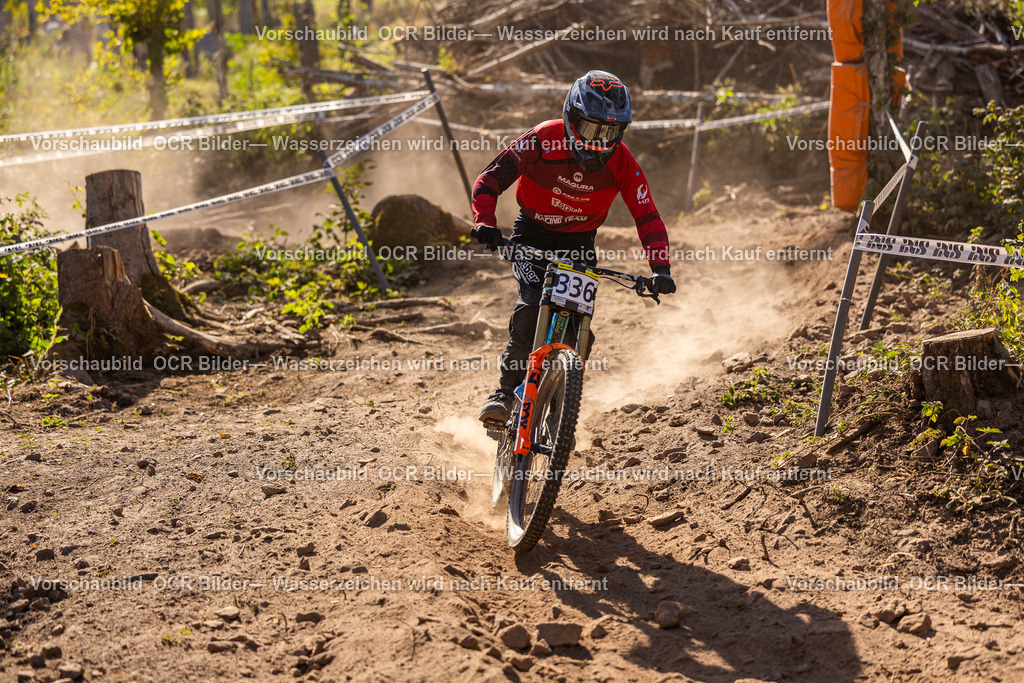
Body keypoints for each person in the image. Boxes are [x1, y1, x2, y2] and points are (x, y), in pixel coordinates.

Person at [471, 70, 676, 427]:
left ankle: (561, 413)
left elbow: (647, 214)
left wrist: (660, 268)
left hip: (579, 244)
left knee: (580, 329)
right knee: (533, 307)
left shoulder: (622, 161)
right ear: (570, 116)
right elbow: (489, 180)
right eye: (592, 128)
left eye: (610, 132)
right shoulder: (542, 138)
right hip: (531, 236)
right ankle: (505, 394)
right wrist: (485, 222)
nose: (599, 141)